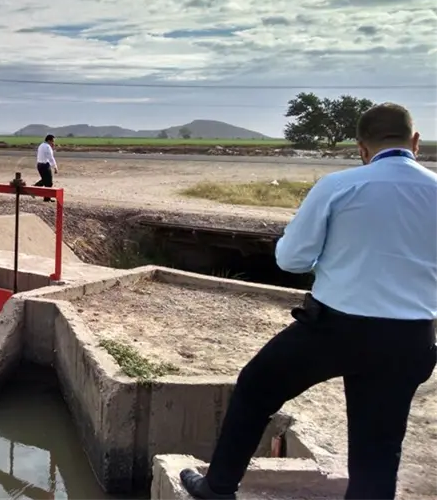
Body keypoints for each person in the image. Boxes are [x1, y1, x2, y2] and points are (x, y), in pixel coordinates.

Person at [180, 103, 437, 500]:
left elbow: (291, 259)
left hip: (335, 329)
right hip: (409, 338)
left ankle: (218, 487)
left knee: (255, 388)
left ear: (361, 148)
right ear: (415, 142)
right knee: (378, 451)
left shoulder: (339, 187)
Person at [33, 134, 58, 202]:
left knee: (45, 180)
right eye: (53, 141)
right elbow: (50, 158)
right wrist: (55, 167)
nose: (53, 143)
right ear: (49, 140)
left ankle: (33, 190)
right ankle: (35, 191)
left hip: (39, 165)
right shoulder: (47, 147)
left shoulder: (41, 145)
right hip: (45, 165)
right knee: (49, 182)